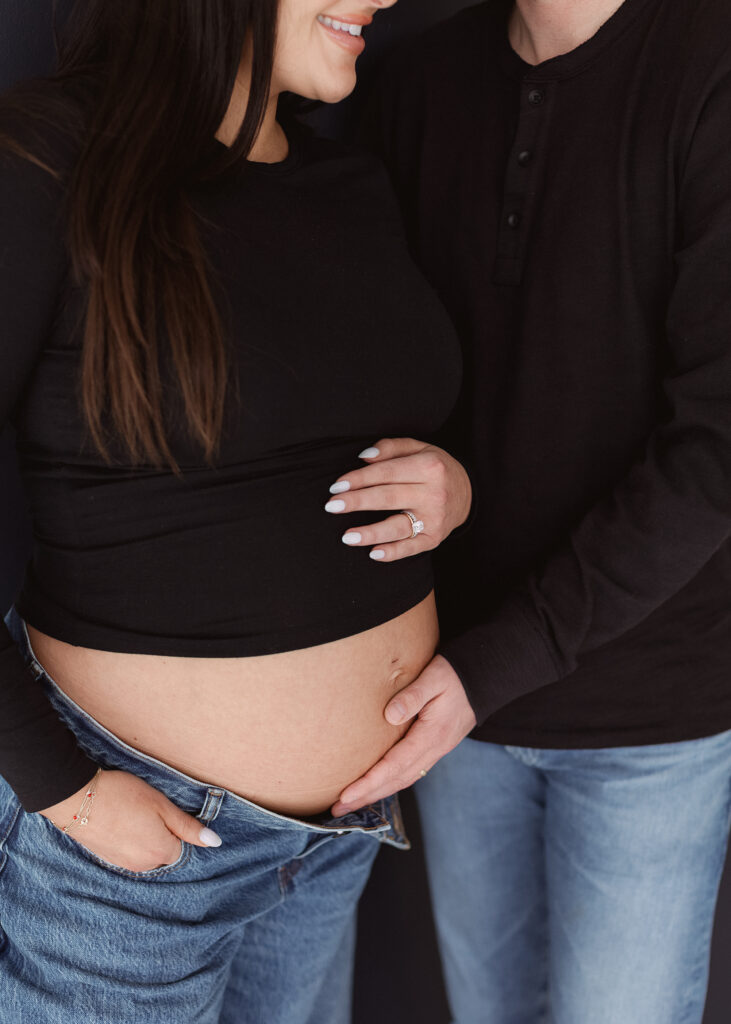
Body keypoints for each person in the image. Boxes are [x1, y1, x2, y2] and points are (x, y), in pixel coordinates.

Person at [0, 1, 473, 1021]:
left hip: (339, 841)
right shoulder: (49, 158)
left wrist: (452, 484)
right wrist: (62, 790)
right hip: (137, 848)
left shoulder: (348, 181)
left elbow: (341, 424)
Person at [333, 0, 731, 1020]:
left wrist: (487, 666)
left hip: (646, 715)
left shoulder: (708, 65)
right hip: (447, 700)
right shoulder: (410, 81)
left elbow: (713, 454)